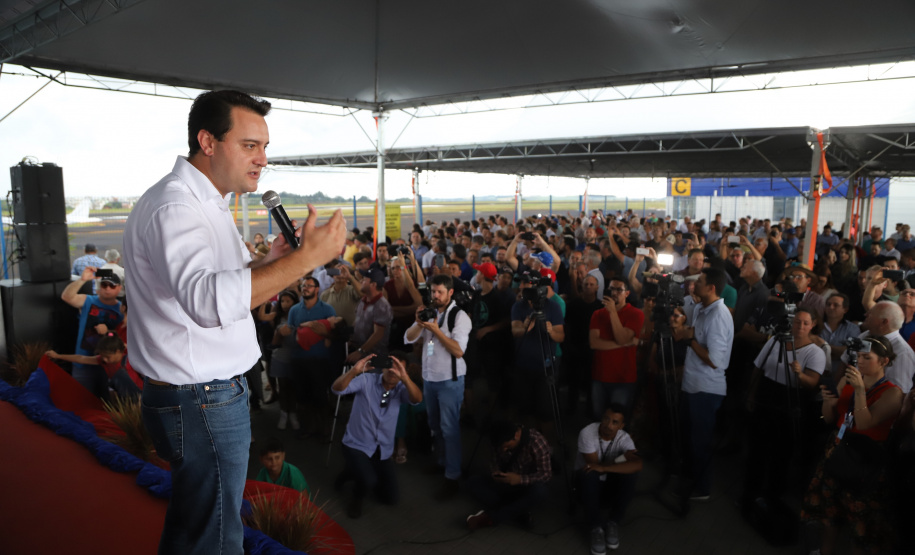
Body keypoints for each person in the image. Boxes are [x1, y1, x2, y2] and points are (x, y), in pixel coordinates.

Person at [123, 90, 345, 555]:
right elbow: (207, 302)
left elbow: (221, 286)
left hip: (200, 395)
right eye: (249, 145)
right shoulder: (177, 207)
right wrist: (305, 260)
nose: (263, 159)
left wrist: (274, 262)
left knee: (196, 524)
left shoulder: (206, 201)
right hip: (201, 398)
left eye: (264, 147)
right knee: (219, 537)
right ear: (207, 141)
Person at [802, 336, 903, 555]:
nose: (861, 362)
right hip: (838, 449)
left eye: (868, 358)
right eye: (859, 357)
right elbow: (831, 419)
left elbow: (865, 423)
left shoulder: (893, 392)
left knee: (861, 527)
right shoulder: (847, 380)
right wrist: (828, 404)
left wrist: (859, 390)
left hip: (864, 460)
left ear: (884, 361)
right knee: (830, 516)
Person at [742, 308, 826, 506]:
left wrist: (800, 374)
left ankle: (772, 495)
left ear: (813, 324)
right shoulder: (775, 340)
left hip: (788, 403)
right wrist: (751, 395)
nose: (800, 327)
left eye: (805, 323)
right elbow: (758, 367)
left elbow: (812, 384)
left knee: (780, 453)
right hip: (766, 395)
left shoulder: (815, 353)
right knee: (757, 448)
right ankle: (750, 492)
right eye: (797, 322)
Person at [404, 274, 472, 500]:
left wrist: (436, 330)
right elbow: (409, 338)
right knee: (435, 425)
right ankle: (441, 462)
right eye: (433, 292)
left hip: (450, 381)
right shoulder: (429, 312)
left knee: (449, 428)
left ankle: (452, 477)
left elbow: (458, 351)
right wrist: (419, 322)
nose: (435, 296)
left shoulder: (460, 317)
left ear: (450, 292)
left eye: (439, 292)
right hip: (430, 379)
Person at [332, 351, 422, 518]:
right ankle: (357, 496)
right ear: (382, 368)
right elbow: (337, 390)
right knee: (368, 480)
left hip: (381, 449)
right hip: (356, 444)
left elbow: (417, 399)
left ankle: (353, 471)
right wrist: (354, 372)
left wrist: (406, 379)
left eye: (399, 368)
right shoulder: (367, 380)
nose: (393, 371)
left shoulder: (403, 388)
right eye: (390, 366)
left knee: (391, 498)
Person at [673, 268, 733, 500]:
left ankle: (702, 488)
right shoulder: (701, 308)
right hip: (692, 383)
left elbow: (716, 360)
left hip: (706, 389)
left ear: (712, 288)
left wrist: (689, 340)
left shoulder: (718, 315)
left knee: (700, 441)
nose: (694, 284)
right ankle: (688, 477)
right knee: (689, 437)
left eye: (699, 281)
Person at [577, 405, 642, 554]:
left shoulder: (624, 438)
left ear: (621, 426)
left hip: (609, 484)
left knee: (631, 474)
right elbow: (594, 465)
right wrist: (621, 459)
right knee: (590, 472)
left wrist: (607, 468)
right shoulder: (587, 433)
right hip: (585, 485)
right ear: (601, 418)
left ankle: (613, 522)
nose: (608, 425)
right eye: (606, 419)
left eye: (614, 422)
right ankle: (596, 528)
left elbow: (637, 463)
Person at [465, 420, 552, 531]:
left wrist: (519, 479)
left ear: (515, 436)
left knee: (540, 491)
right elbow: (494, 461)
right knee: (472, 482)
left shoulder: (537, 442)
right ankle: (518, 512)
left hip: (525, 485)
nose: (504, 450)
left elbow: (546, 474)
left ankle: (492, 518)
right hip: (505, 483)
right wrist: (496, 473)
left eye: (507, 446)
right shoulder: (499, 440)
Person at [60, 267, 124, 398]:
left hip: (109, 366)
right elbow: (67, 297)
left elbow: (125, 336)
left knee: (106, 404)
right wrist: (82, 280)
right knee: (80, 400)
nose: (107, 288)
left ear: (119, 288)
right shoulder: (89, 300)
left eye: (112, 286)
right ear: (99, 287)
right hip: (83, 363)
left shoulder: (122, 309)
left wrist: (108, 332)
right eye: (104, 285)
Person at [589, 279, 644, 419]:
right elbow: (594, 343)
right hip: (600, 376)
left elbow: (621, 338)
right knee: (598, 418)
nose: (614, 293)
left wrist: (613, 312)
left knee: (618, 422)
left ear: (627, 293)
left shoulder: (636, 314)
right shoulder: (597, 314)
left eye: (619, 290)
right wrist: (625, 344)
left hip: (623, 378)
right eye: (611, 289)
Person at [45, 332, 142, 400]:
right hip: (123, 398)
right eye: (102, 356)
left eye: (107, 357)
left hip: (141, 397)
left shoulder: (131, 360)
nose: (104, 359)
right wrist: (58, 356)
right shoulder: (103, 361)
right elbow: (81, 358)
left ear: (118, 352)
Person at [345, 268, 393, 363]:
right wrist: (351, 340)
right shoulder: (363, 300)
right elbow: (357, 321)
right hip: (360, 353)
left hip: (374, 358)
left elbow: (378, 334)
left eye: (365, 279)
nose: (361, 281)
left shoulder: (382, 306)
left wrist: (360, 351)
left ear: (373, 285)